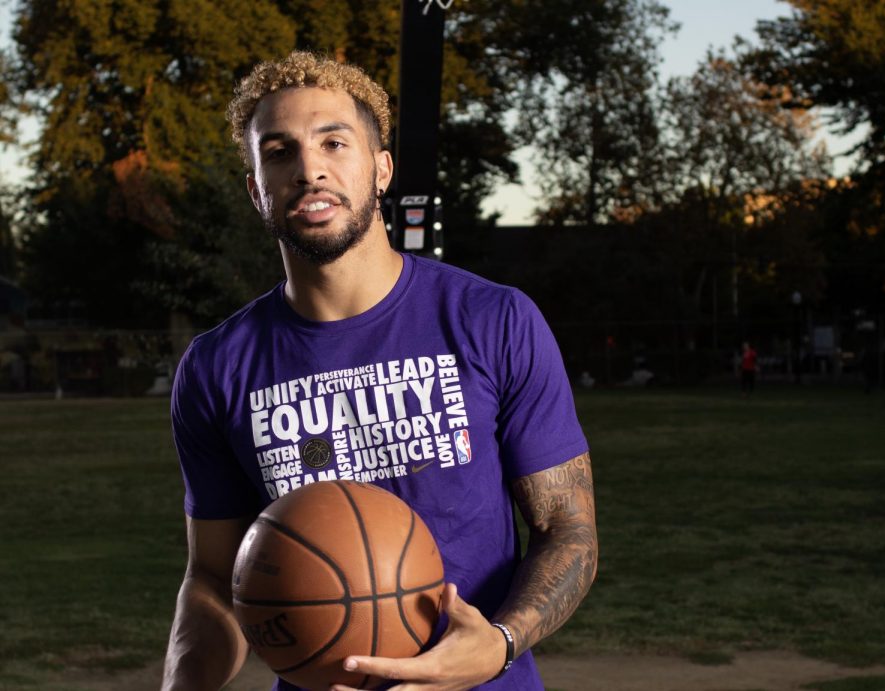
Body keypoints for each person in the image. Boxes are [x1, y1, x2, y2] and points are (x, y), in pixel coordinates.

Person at [161, 51, 597, 691]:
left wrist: (499, 644)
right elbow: (213, 580)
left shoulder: (493, 319)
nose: (309, 169)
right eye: (279, 152)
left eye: (334, 143)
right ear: (257, 188)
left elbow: (569, 530)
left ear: (381, 169)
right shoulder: (215, 368)